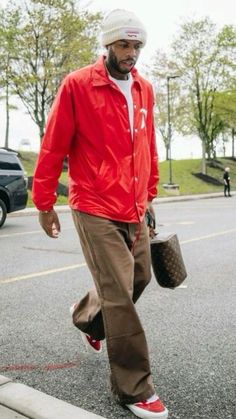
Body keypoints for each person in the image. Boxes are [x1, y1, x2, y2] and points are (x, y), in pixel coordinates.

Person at [32, 9, 168, 419]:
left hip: (132, 202)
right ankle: (133, 388)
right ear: (107, 45)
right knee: (120, 293)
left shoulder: (144, 89)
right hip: (92, 202)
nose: (131, 53)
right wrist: (43, 203)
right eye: (124, 45)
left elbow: (147, 146)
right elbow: (54, 144)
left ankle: (90, 320)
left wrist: (149, 195)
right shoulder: (78, 85)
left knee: (139, 275)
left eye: (137, 46)